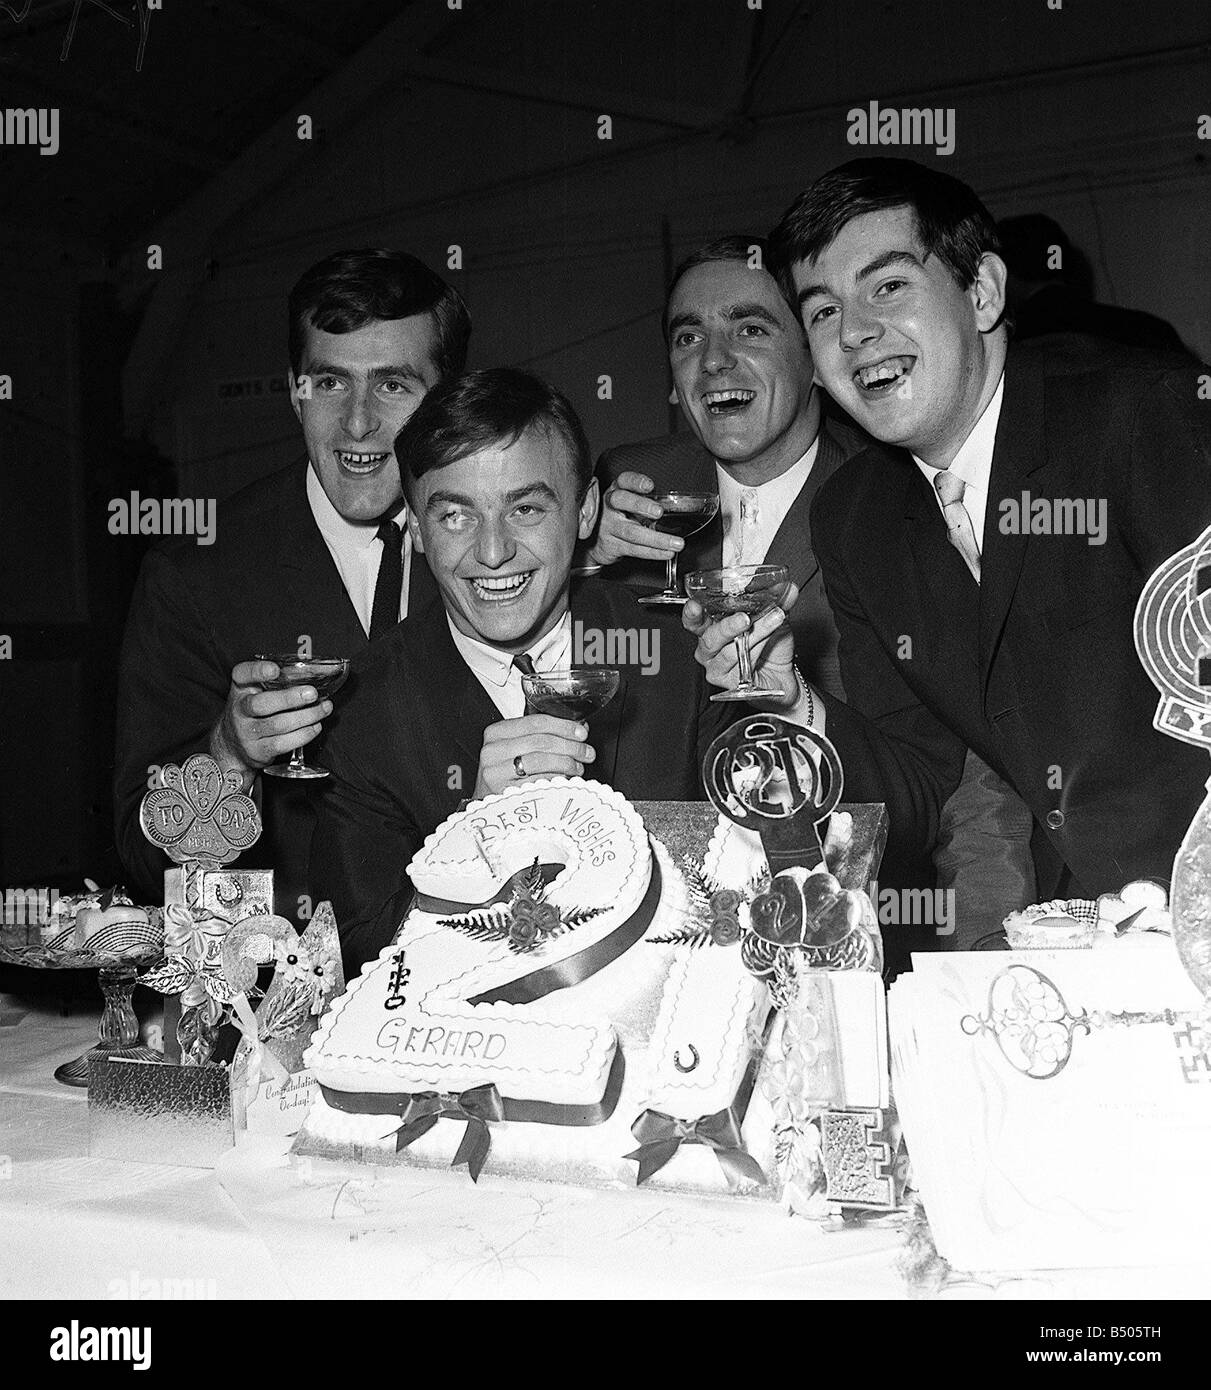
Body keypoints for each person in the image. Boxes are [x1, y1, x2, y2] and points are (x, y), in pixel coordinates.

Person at [686, 156, 1211, 908]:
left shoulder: (1145, 416)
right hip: (1074, 931)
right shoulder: (856, 518)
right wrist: (794, 704)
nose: (857, 333)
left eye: (888, 287)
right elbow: (914, 791)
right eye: (823, 311)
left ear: (983, 291)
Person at [587, 234, 1036, 949]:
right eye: (687, 336)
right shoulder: (627, 493)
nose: (714, 360)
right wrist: (576, 561)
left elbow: (973, 782)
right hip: (649, 931)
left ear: (816, 359)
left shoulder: (900, 507)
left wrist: (977, 959)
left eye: (751, 328)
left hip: (854, 926)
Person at [309, 367, 736, 978]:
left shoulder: (681, 663)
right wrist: (478, 839)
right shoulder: (361, 713)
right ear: (418, 531)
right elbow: (355, 963)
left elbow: (770, 881)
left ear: (586, 511)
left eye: (526, 509)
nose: (492, 552)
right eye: (456, 516)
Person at [114, 249, 470, 913]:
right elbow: (143, 857)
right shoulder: (196, 572)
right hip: (284, 991)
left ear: (446, 398)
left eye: (393, 385)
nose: (357, 423)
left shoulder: (502, 550)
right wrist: (227, 756)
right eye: (330, 383)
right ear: (293, 390)